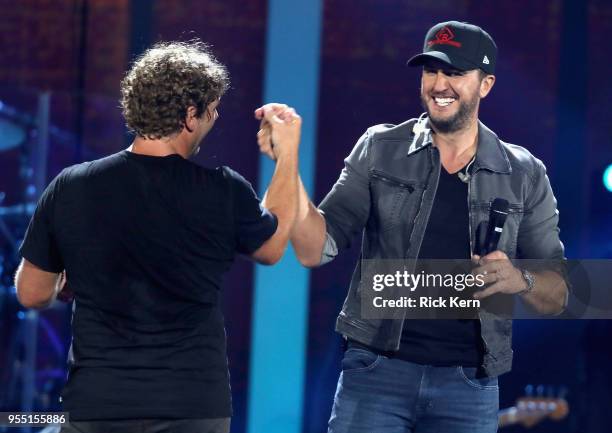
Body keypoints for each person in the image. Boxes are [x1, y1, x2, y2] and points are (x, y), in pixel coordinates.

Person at [258, 21, 568, 433]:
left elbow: (561, 291)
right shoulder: (380, 148)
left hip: (469, 383)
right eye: (431, 70)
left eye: (455, 72)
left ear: (486, 84)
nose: (439, 84)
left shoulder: (523, 173)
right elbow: (314, 249)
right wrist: (288, 162)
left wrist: (520, 279)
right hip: (376, 372)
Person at [15, 40, 301, 433]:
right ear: (189, 115)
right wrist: (287, 155)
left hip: (99, 406)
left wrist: (68, 276)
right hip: (193, 407)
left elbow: (31, 294)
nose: (212, 122)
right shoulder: (222, 190)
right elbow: (272, 246)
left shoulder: (72, 186)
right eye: (212, 112)